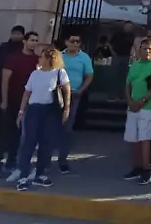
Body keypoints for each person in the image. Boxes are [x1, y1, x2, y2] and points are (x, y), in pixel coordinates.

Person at [15, 47, 72, 192]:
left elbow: (67, 91)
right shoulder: (35, 74)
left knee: (46, 143)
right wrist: (21, 111)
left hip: (50, 111)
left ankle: (40, 173)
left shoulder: (59, 73)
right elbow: (27, 93)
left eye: (43, 56)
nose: (40, 59)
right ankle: (23, 174)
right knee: (29, 141)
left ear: (50, 58)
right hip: (34, 109)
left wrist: (66, 109)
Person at [0, 31, 40, 182]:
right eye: (32, 40)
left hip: (27, 103)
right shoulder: (13, 58)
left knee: (20, 135)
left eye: (36, 40)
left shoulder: (36, 60)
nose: (34, 43)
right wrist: (4, 100)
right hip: (12, 100)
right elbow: (5, 80)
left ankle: (12, 162)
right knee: (6, 133)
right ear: (25, 41)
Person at [124, 37, 151, 185]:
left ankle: (147, 171)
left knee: (144, 139)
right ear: (139, 50)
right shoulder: (135, 65)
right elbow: (128, 83)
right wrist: (129, 101)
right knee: (133, 139)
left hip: (148, 107)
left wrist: (143, 100)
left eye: (150, 49)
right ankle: (137, 167)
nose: (147, 51)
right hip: (133, 106)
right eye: (144, 49)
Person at [57, 34, 93, 173]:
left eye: (78, 41)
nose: (75, 43)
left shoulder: (84, 57)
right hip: (57, 93)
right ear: (66, 41)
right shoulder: (59, 56)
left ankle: (62, 159)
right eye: (72, 41)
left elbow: (89, 75)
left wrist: (82, 90)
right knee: (53, 126)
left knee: (67, 127)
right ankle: (45, 159)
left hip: (74, 94)